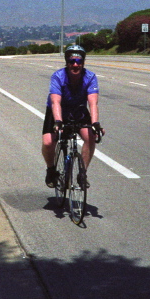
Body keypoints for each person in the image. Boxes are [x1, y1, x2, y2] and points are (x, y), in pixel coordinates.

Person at [42, 44, 104, 190]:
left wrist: (95, 123)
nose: (75, 65)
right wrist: (58, 122)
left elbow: (93, 103)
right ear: (67, 62)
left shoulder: (90, 77)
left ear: (83, 62)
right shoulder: (58, 76)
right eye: (72, 61)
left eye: (79, 61)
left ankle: (82, 173)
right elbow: (55, 102)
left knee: (91, 137)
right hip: (58, 110)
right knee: (48, 142)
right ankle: (51, 170)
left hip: (78, 110)